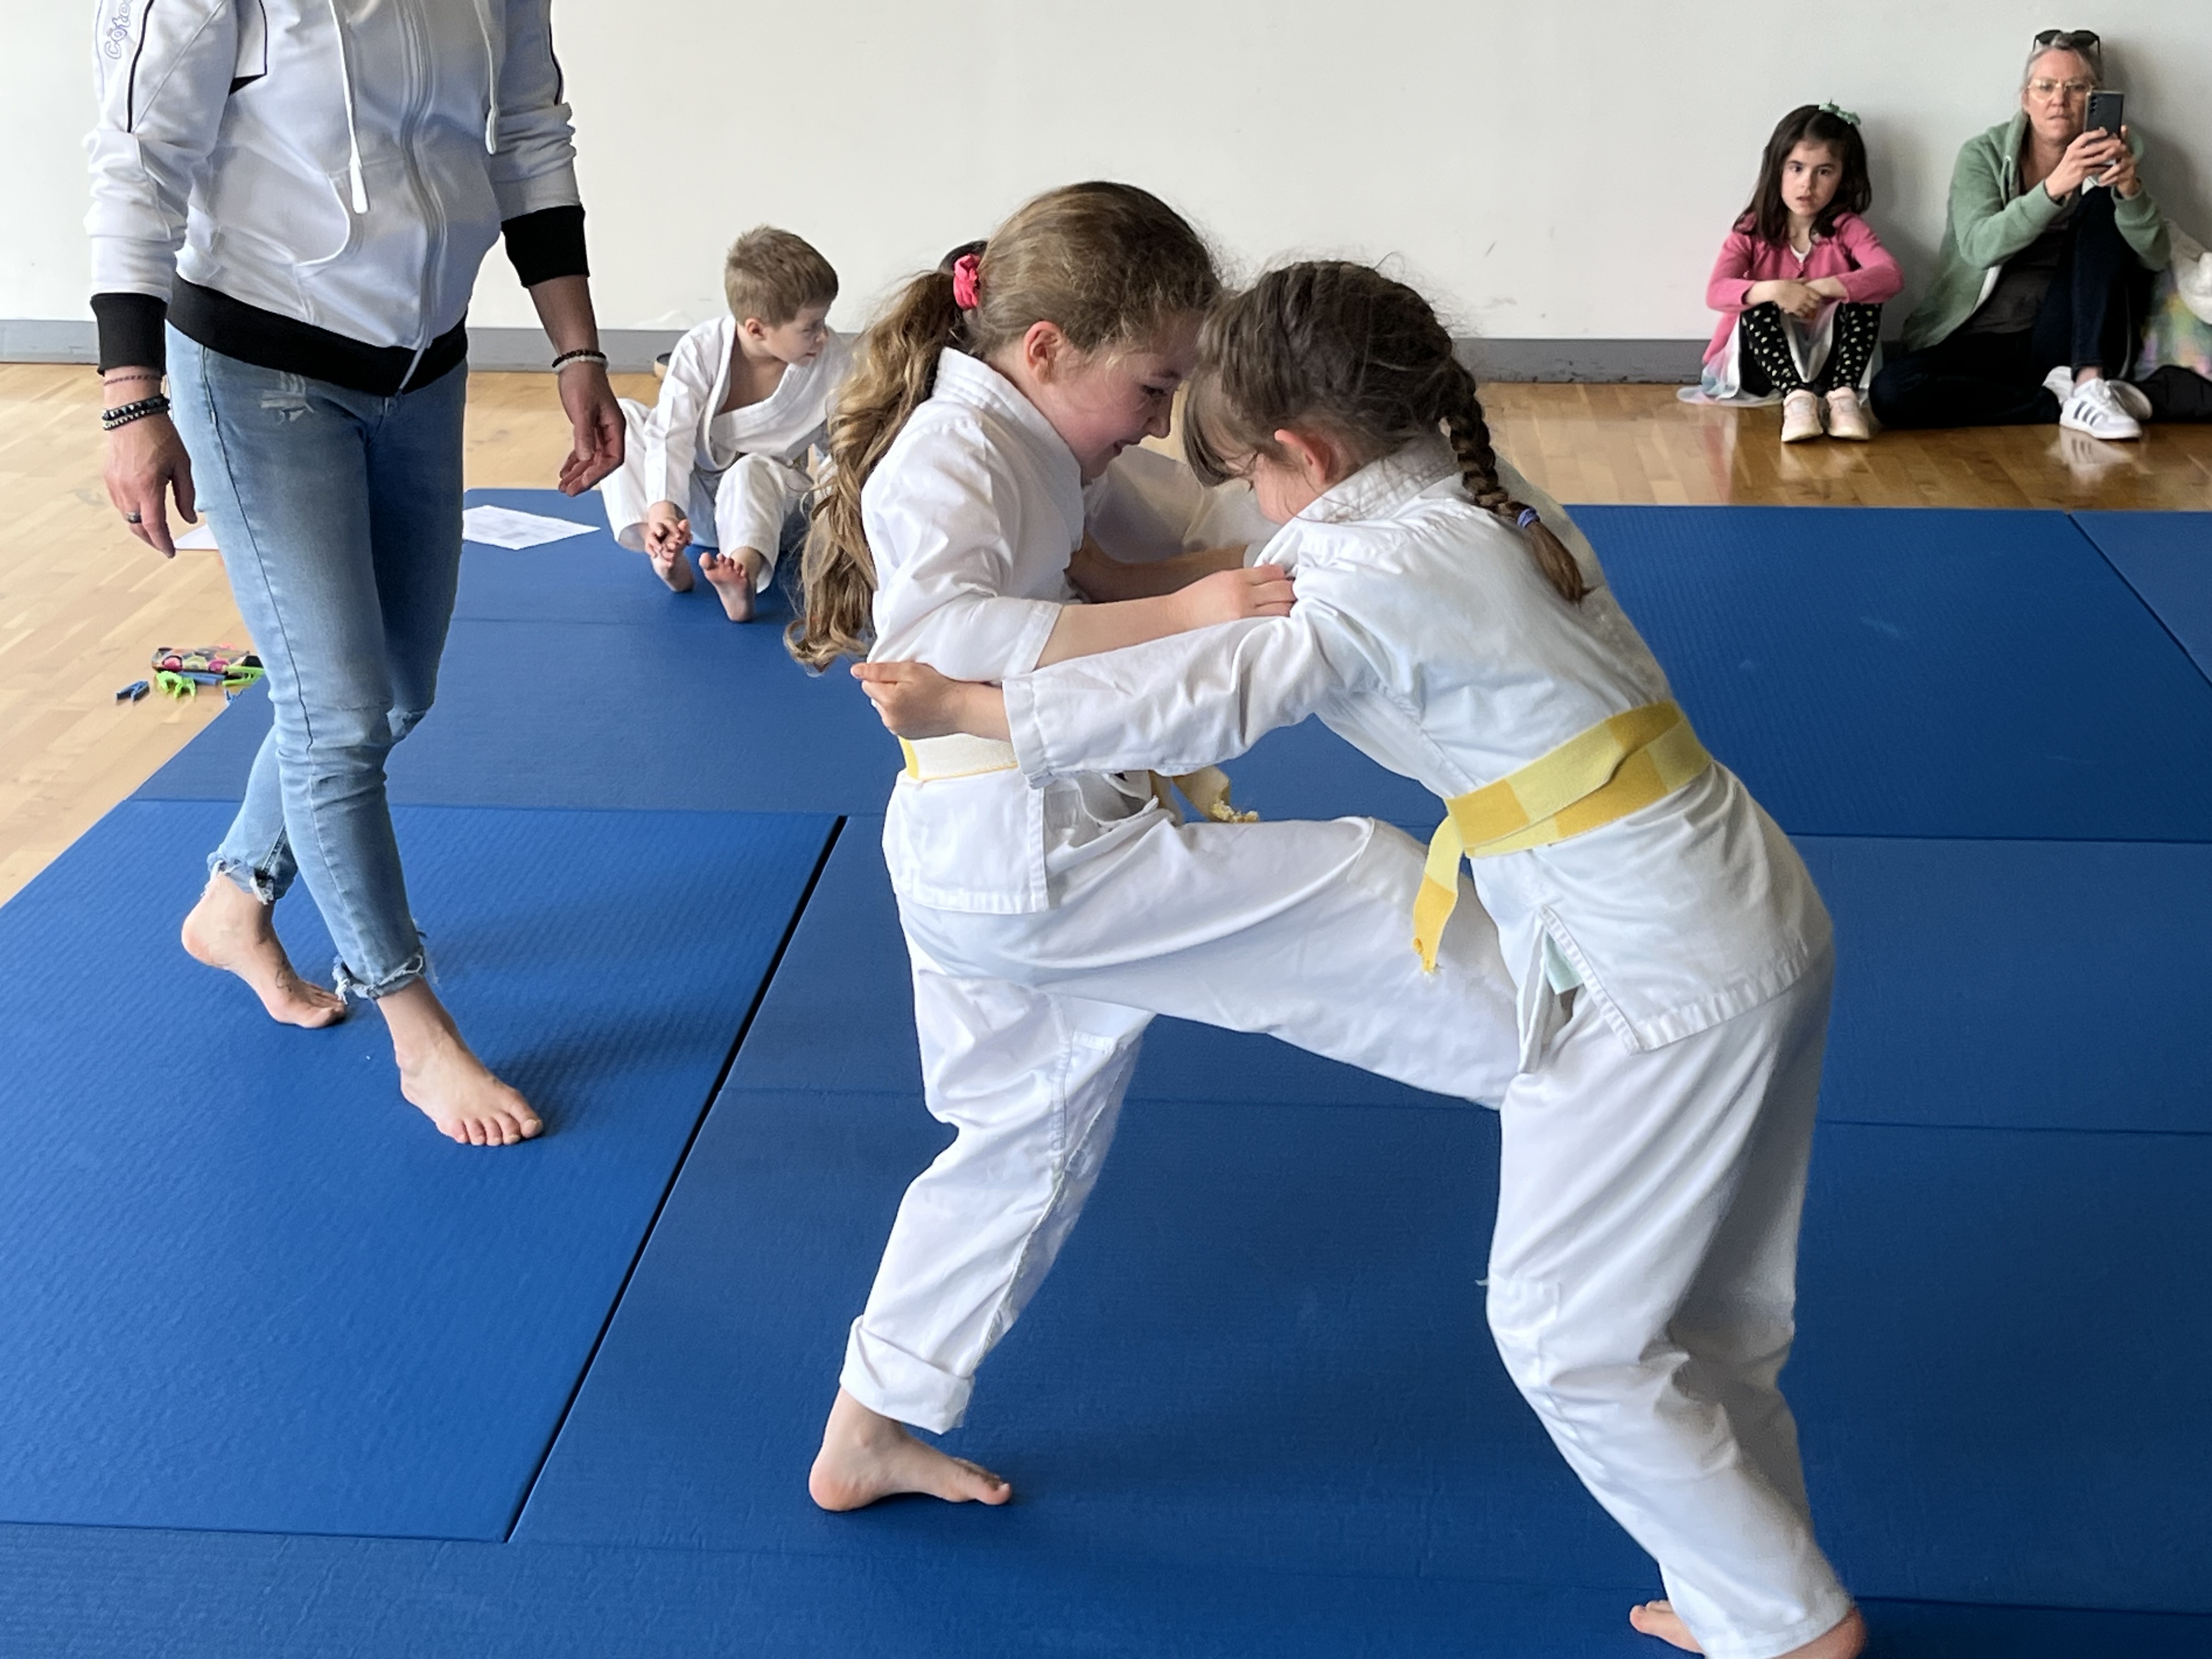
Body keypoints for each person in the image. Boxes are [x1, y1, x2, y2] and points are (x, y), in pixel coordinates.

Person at [862, 262, 1863, 1659]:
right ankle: (1750, 1592)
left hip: (1655, 970)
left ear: (1307, 453)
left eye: (1248, 474)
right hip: (1747, 908)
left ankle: (1790, 1627)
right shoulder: (1473, 487)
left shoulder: (1365, 574)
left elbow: (1202, 695)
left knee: (1570, 1335)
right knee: (1716, 1317)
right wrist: (1123, 573)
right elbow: (1239, 570)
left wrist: (965, 708)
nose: (1249, 508)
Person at [793, 184, 1525, 1514]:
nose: (1159, 414)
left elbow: (1164, 546)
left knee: (1021, 1141)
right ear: (1046, 349)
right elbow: (945, 639)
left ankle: (868, 1426)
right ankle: (1580, 1075)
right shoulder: (952, 452)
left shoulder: (1039, 437)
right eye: (1151, 386)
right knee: (1365, 884)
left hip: (997, 853)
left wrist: (1366, 500)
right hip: (1032, 859)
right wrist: (1191, 613)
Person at [89, 1, 625, 1147]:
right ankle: (415, 1027)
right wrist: (132, 399)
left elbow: (529, 132)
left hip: (423, 367)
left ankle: (234, 899)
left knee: (394, 692)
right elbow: (137, 163)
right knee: (335, 714)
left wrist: (575, 346)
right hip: (257, 368)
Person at [1871, 29, 2168, 441]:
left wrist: (2130, 192)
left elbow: (2155, 256)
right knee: (1891, 392)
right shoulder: (1984, 155)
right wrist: (2053, 189)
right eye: (2045, 87)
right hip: (1983, 335)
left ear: (2095, 99)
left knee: (2103, 204)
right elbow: (1980, 247)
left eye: (2076, 88)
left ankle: (2088, 383)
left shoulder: (2117, 153)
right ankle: (2055, 402)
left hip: (2068, 336)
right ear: (2026, 99)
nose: (2059, 100)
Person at [597, 227, 850, 621]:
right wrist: (664, 508)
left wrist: (839, 532)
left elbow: (843, 451)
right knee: (624, 418)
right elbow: (670, 434)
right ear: (756, 328)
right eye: (810, 328)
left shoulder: (831, 361)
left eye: (823, 323)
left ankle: (741, 575)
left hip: (770, 512)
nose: (822, 336)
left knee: (750, 469)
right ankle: (660, 545)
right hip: (693, 510)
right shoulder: (702, 349)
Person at [1698, 104, 1900, 443]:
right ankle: (1797, 400)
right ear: (1778, 167)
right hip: (1764, 369)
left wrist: (1825, 287)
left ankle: (1843, 399)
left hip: (1829, 370)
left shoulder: (1847, 228)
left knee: (1865, 296)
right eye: (1796, 168)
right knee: (1757, 299)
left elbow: (1891, 275)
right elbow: (1716, 291)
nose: (1807, 184)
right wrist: (1776, 290)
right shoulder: (1752, 230)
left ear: (1843, 177)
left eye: (1824, 172)